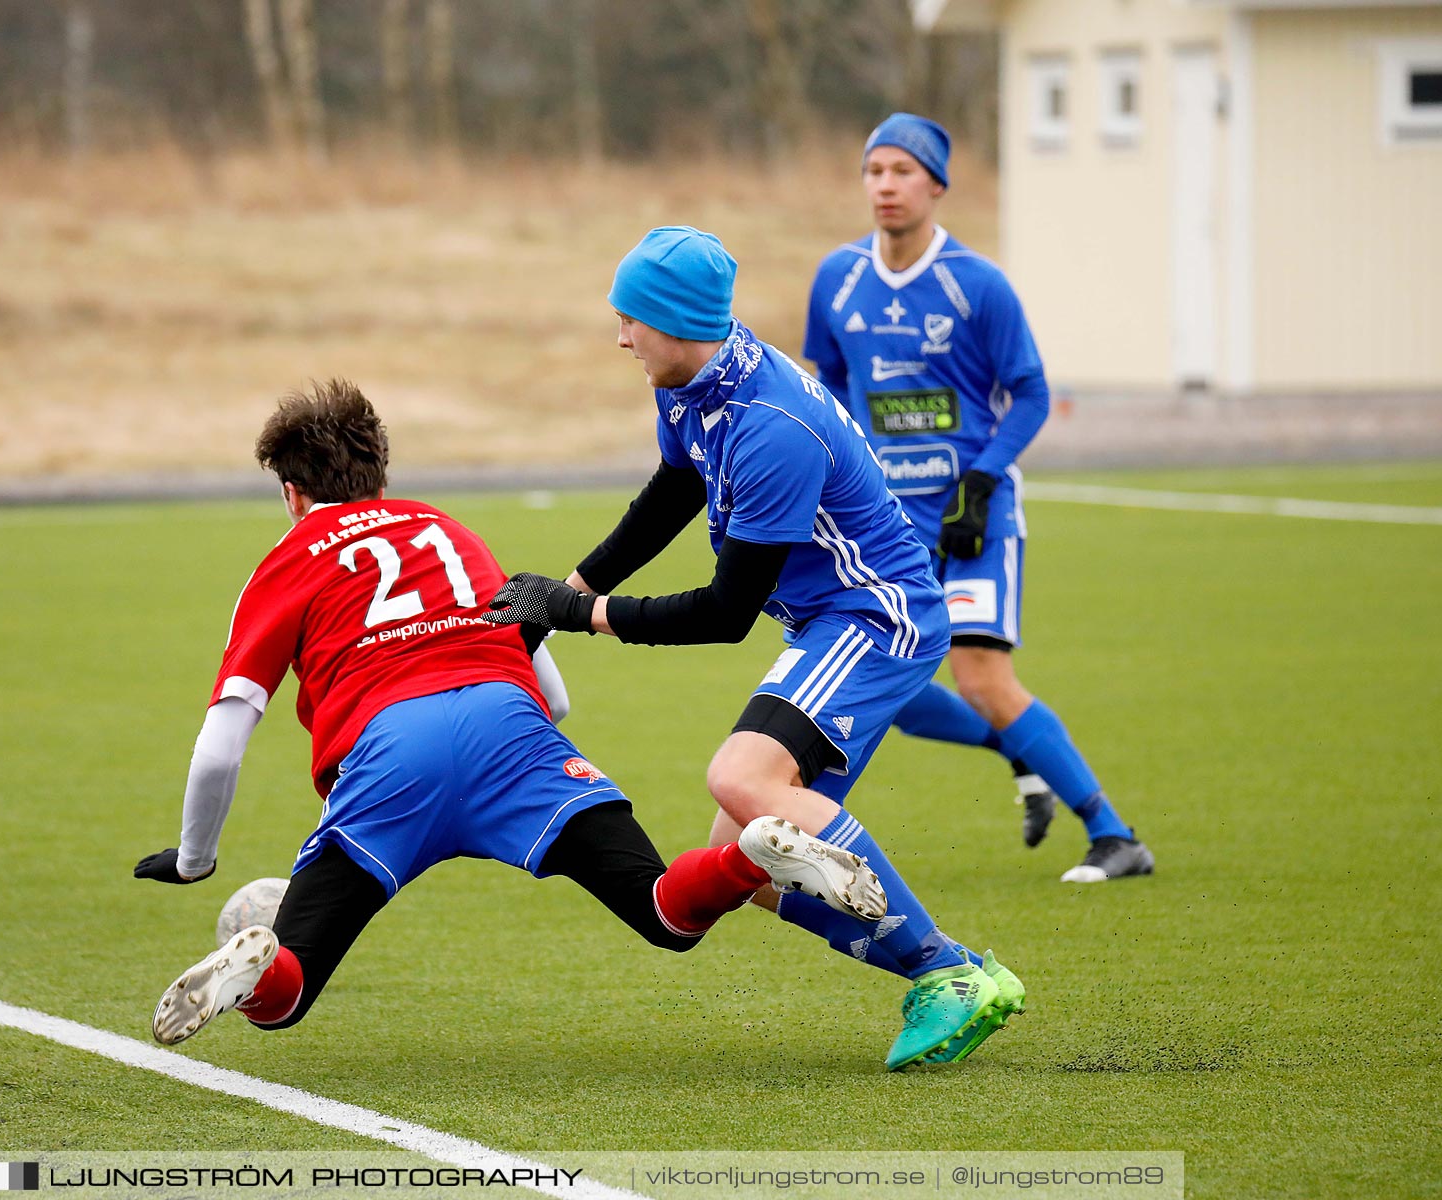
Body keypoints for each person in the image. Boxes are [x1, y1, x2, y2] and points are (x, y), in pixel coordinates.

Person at [131, 378, 887, 1046]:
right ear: (380, 474)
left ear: (292, 495)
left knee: (285, 998)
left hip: (394, 755)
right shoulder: (447, 531)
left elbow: (223, 744)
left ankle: (255, 964)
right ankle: (751, 855)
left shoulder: (290, 557)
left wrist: (194, 859)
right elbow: (550, 692)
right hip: (508, 728)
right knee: (662, 912)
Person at [484, 227, 1024, 1069]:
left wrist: (583, 615)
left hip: (876, 619)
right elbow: (674, 489)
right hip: (827, 622)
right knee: (751, 859)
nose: (620, 339)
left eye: (632, 321)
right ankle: (952, 967)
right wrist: (570, 589)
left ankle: (944, 970)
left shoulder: (772, 426)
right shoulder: (694, 378)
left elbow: (727, 610)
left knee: (740, 779)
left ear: (678, 322)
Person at [800, 114, 1154, 883]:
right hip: (883, 526)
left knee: (981, 678)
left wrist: (983, 479)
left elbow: (1030, 393)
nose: (885, 185)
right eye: (874, 170)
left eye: (902, 171)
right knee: (886, 690)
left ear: (936, 184)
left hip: (973, 519)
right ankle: (1021, 751)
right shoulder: (838, 279)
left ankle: (1115, 835)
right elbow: (823, 385)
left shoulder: (977, 284)